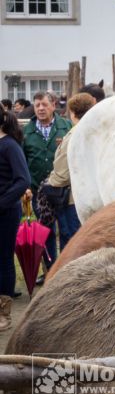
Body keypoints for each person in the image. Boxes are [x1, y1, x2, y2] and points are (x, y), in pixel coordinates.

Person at [22, 91, 72, 278]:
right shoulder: (27, 132)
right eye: (37, 105)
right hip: (38, 192)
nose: (41, 108)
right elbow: (22, 160)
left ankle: (67, 271)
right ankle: (50, 271)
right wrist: (26, 186)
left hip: (63, 191)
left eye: (44, 104)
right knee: (45, 233)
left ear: (53, 105)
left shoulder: (66, 127)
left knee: (67, 231)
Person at [44, 92, 95, 251]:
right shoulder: (93, 132)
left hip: (71, 197)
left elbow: (62, 172)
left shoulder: (75, 134)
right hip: (89, 195)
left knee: (70, 239)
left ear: (72, 112)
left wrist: (49, 184)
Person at [0, 108, 31, 329]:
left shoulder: (10, 145)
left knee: (3, 261)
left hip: (6, 213)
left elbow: (23, 180)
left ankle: (4, 314)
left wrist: (2, 202)